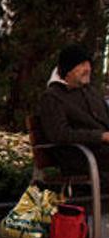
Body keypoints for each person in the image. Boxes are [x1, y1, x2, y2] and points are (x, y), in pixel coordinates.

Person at [38, 44, 109, 185]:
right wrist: (100, 136)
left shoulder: (90, 92)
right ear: (68, 69)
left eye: (89, 64)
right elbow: (59, 134)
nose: (88, 69)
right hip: (80, 157)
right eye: (82, 64)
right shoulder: (52, 97)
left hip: (101, 154)